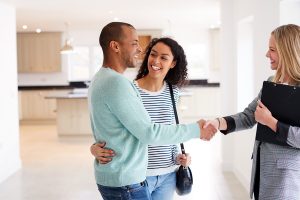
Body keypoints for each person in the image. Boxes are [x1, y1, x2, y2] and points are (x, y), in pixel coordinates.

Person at [89, 22, 217, 200]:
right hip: (134, 177)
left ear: (173, 63)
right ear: (115, 46)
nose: (139, 49)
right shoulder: (122, 85)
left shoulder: (171, 92)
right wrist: (196, 129)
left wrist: (180, 155)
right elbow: (148, 132)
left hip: (163, 173)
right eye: (134, 43)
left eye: (164, 58)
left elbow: (168, 127)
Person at [204, 24, 300, 200]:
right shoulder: (272, 82)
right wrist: (218, 122)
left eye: (272, 49)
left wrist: (271, 122)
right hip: (262, 171)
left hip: (287, 180)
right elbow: (248, 116)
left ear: (287, 51)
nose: (266, 54)